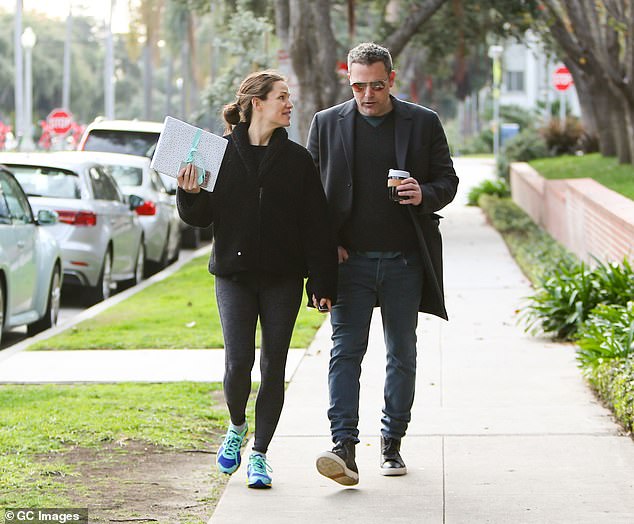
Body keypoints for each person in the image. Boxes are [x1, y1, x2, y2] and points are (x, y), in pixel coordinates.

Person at [176, 70, 338, 489]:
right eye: (282, 97)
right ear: (256, 103)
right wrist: (189, 192)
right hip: (233, 274)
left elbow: (316, 227)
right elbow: (199, 219)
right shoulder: (220, 153)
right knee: (238, 363)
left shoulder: (299, 160)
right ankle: (235, 427)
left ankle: (261, 455)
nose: (290, 104)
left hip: (283, 278)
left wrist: (322, 283)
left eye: (290, 97)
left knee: (274, 365)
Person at [307, 42, 458, 485]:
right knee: (345, 353)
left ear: (391, 80)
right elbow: (311, 197)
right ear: (348, 81)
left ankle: (392, 442)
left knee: (401, 353)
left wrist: (424, 193)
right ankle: (344, 446)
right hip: (348, 263)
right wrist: (325, 244)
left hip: (404, 261)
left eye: (376, 85)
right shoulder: (327, 123)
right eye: (358, 86)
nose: (367, 94)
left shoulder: (422, 122)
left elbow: (447, 179)